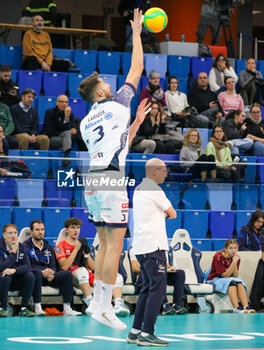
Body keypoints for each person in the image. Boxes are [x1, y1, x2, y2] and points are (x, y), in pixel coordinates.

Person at [78, 9, 148, 331]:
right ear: (103, 93)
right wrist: (136, 32)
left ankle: (96, 303)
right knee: (115, 246)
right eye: (107, 83)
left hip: (92, 179)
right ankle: (105, 306)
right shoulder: (118, 101)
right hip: (111, 179)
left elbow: (115, 145)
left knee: (105, 243)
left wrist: (133, 125)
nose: (111, 84)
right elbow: (137, 68)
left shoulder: (85, 121)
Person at [126, 158, 176, 346]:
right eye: (163, 170)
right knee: (157, 289)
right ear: (155, 171)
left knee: (147, 289)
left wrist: (158, 214)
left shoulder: (139, 189)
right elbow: (172, 213)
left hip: (141, 247)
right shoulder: (155, 189)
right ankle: (147, 333)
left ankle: (135, 331)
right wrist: (162, 214)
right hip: (154, 246)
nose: (166, 174)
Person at [23, 219, 82, 317]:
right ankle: (38, 307)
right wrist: (42, 272)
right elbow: (27, 266)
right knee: (36, 272)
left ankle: (67, 308)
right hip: (35, 276)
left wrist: (52, 273)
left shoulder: (49, 247)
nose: (40, 232)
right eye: (37, 230)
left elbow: (53, 265)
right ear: (31, 232)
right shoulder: (25, 247)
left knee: (67, 274)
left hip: (49, 276)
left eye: (42, 229)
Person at [129, 247, 187, 316]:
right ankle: (165, 305)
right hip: (144, 276)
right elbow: (135, 268)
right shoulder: (135, 248)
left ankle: (176, 304)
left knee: (180, 273)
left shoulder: (161, 249)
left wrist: (170, 268)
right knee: (156, 273)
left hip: (161, 274)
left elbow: (165, 264)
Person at [55, 218, 94, 315]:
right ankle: (90, 302)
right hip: (70, 277)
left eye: (78, 228)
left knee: (111, 278)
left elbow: (92, 267)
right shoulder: (60, 246)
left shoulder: (82, 244)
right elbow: (64, 267)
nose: (76, 230)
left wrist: (86, 251)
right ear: (67, 230)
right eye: (73, 228)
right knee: (82, 271)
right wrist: (76, 249)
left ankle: (117, 304)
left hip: (84, 275)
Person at [207, 239, 255, 313]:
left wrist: (235, 261)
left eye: (235, 248)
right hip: (214, 280)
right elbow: (225, 275)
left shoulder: (236, 258)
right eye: (230, 248)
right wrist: (234, 262)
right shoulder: (218, 256)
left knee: (239, 283)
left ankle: (246, 307)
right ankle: (237, 308)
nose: (233, 250)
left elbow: (235, 275)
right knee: (232, 283)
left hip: (227, 280)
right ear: (226, 249)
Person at [0, 224, 35, 317]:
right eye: (10, 233)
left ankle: (24, 308)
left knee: (30, 276)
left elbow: (27, 266)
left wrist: (14, 270)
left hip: (15, 278)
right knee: (6, 275)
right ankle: (3, 307)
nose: (13, 236)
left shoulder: (21, 247)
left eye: (15, 233)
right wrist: (13, 253)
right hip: (2, 279)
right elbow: (2, 267)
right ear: (4, 235)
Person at [42, 95, 85, 166]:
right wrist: (64, 130)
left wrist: (66, 118)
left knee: (67, 135)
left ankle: (64, 158)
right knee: (66, 137)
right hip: (51, 137)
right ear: (57, 103)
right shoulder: (49, 112)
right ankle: (65, 157)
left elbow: (68, 129)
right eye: (61, 102)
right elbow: (49, 130)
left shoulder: (70, 114)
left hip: (64, 136)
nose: (64, 104)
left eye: (66, 102)